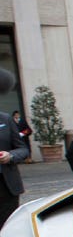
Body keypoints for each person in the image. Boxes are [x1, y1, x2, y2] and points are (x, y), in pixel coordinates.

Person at [0, 69, 29, 228]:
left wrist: (10, 156)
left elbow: (22, 149)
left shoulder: (5, 119)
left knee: (7, 231)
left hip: (7, 188)